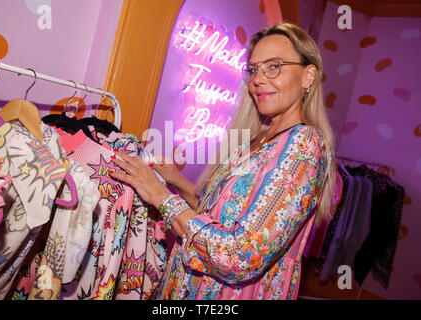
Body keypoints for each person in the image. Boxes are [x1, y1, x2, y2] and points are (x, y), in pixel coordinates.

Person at [109, 22, 336, 300]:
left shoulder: (304, 146)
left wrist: (160, 197)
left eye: (274, 66)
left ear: (308, 75)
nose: (259, 79)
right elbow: (213, 216)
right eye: (253, 69)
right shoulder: (255, 138)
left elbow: (240, 256)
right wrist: (174, 180)